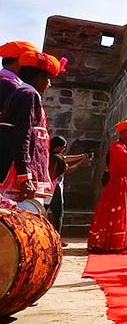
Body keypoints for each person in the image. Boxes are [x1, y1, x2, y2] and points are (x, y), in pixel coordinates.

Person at [0, 50, 63, 206]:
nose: (49, 84)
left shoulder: (23, 93)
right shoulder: (29, 95)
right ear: (40, 77)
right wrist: (24, 177)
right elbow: (22, 136)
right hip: (19, 175)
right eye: (48, 79)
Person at [88, 117, 127, 253]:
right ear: (122, 133)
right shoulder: (115, 146)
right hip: (118, 184)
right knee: (117, 213)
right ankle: (112, 242)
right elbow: (126, 158)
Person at [48, 135, 91, 241]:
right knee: (58, 215)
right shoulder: (57, 158)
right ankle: (56, 238)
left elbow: (65, 158)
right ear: (58, 147)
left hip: (47, 188)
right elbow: (68, 170)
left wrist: (81, 156)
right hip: (55, 189)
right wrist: (81, 162)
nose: (64, 149)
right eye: (63, 147)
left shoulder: (48, 155)